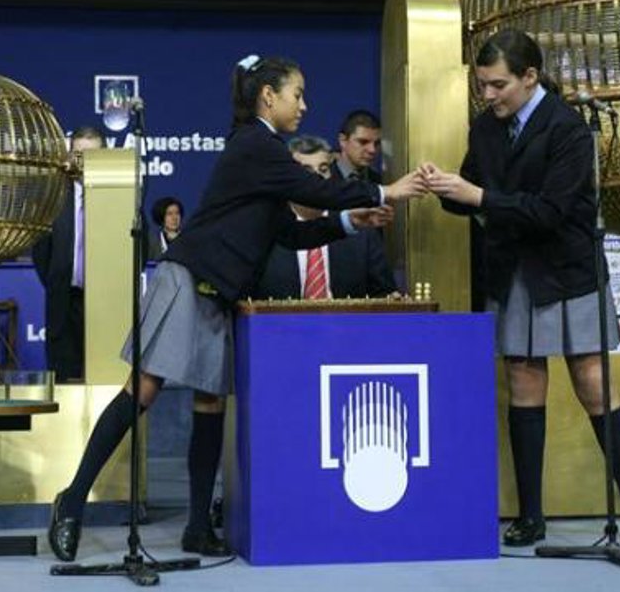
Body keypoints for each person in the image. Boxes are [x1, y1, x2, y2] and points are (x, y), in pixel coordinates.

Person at [47, 54, 426, 561]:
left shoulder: (263, 153)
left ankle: (196, 527)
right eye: (297, 94)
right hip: (188, 277)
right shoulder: (255, 144)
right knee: (143, 391)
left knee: (211, 405)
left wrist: (352, 222)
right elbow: (313, 188)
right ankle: (71, 502)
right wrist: (384, 188)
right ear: (269, 96)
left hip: (222, 291)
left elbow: (289, 232)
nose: (304, 105)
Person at [421, 29, 620, 547]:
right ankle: (530, 516)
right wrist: (444, 187)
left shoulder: (569, 129)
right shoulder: (484, 128)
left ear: (530, 77)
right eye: (482, 85)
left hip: (566, 271)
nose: (488, 95)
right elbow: (474, 192)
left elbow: (550, 212)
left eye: (498, 85)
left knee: (593, 382)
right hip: (512, 271)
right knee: (523, 381)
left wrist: (478, 195)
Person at [251, 135, 397, 300]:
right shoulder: (265, 232)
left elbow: (384, 294)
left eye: (323, 169)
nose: (317, 179)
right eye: (306, 171)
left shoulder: (359, 230)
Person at [32, 126, 104, 383]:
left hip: (105, 303)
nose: (83, 162)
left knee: (105, 378)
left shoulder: (117, 193)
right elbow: (41, 250)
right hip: (64, 299)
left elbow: (136, 250)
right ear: (69, 155)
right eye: (78, 155)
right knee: (64, 379)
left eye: (92, 156)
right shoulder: (54, 195)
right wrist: (57, 279)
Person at [331, 109, 382, 183]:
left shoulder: (379, 181)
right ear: (343, 140)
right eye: (363, 142)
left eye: (377, 143)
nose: (372, 150)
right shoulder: (323, 179)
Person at [146, 196, 184, 261]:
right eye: (170, 214)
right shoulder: (152, 242)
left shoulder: (186, 240)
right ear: (161, 217)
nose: (174, 218)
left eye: (177, 213)